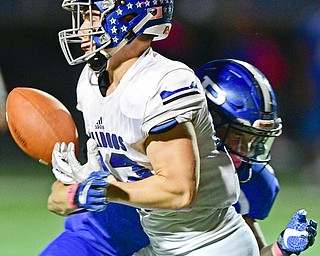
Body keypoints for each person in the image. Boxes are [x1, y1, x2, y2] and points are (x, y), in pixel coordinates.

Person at [45, 0, 260, 255]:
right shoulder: (92, 81)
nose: (82, 29)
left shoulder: (163, 82)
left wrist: (108, 190)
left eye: (92, 17)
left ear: (128, 19)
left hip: (210, 244)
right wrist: (77, 193)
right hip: (162, 243)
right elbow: (56, 199)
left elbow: (178, 191)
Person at [195, 59, 318, 256]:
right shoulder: (149, 167)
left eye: (252, 140)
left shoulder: (249, 182)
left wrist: (280, 249)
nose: (245, 150)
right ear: (207, 123)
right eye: (237, 137)